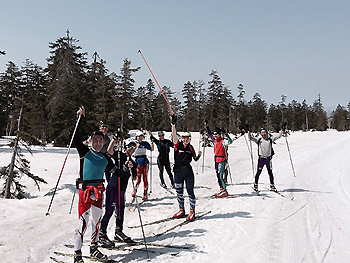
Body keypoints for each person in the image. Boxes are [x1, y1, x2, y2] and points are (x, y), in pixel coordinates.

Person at [73, 107, 120, 263]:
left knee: (96, 221)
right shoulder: (84, 152)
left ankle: (94, 248)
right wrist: (80, 118)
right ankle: (77, 255)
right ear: (91, 141)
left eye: (101, 141)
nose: (99, 143)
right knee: (83, 223)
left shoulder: (105, 157)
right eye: (96, 141)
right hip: (85, 191)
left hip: (99, 192)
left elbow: (116, 171)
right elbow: (75, 138)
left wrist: (127, 166)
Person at [99, 137, 137, 247]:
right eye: (130, 146)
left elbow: (134, 177)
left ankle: (118, 231)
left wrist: (132, 170)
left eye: (134, 147)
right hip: (113, 187)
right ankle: (102, 233)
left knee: (120, 211)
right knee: (109, 211)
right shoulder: (120, 155)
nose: (132, 149)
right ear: (125, 147)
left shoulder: (133, 162)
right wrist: (115, 139)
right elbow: (109, 151)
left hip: (122, 190)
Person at [171, 115, 202, 221]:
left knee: (190, 191)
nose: (185, 140)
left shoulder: (191, 147)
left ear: (190, 139)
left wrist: (198, 155)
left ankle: (192, 211)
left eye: (187, 138)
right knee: (179, 191)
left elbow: (195, 159)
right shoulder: (177, 145)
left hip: (188, 171)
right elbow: (174, 136)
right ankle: (181, 210)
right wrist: (173, 125)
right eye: (184, 138)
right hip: (178, 171)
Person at [248, 128, 284, 192]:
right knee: (258, 172)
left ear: (267, 133)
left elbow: (278, 136)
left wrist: (282, 131)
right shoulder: (259, 140)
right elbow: (250, 138)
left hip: (268, 159)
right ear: (260, 134)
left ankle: (272, 185)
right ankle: (256, 184)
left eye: (264, 132)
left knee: (270, 172)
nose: (263, 134)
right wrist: (249, 133)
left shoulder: (270, 139)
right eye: (262, 133)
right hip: (261, 159)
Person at [205, 124, 233, 197]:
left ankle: (224, 190)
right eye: (214, 134)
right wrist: (207, 127)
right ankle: (221, 189)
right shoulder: (215, 140)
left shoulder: (223, 141)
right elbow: (210, 135)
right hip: (216, 159)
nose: (215, 135)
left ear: (219, 134)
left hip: (222, 160)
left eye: (216, 134)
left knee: (220, 175)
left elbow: (230, 142)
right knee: (218, 175)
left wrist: (226, 134)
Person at [132, 132, 154, 201]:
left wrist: (152, 143)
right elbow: (130, 152)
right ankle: (134, 190)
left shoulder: (145, 143)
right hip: (138, 162)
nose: (140, 138)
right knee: (138, 178)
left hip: (145, 162)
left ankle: (145, 193)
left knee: (145, 178)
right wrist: (135, 148)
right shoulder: (134, 143)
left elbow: (151, 149)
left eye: (141, 137)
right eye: (138, 137)